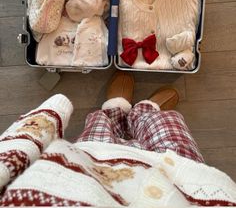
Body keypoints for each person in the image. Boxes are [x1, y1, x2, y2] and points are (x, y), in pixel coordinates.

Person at [0, 71, 235, 207]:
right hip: (180, 187)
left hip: (88, 175)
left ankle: (117, 110)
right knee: (171, 138)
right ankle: (146, 110)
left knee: (99, 137)